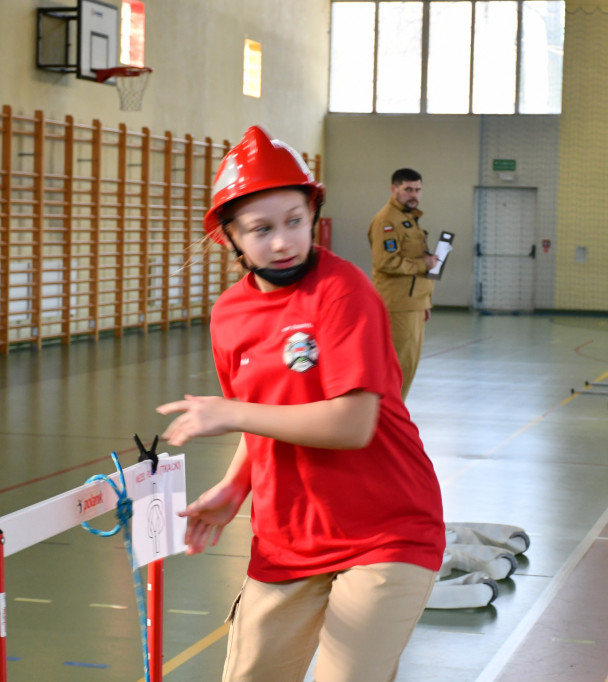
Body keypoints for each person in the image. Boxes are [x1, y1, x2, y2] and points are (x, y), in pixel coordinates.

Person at [156, 127, 445, 682]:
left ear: (312, 214)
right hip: (289, 535)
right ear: (230, 238)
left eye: (295, 221)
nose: (284, 241)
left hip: (386, 529)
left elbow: (353, 423)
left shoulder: (343, 290)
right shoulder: (229, 316)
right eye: (261, 230)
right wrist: (235, 487)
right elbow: (267, 414)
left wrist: (232, 412)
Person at [368, 169, 438, 400]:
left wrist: (424, 302)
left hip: (413, 304)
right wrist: (423, 264)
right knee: (397, 370)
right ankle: (388, 423)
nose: (413, 195)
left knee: (407, 368)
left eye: (417, 190)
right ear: (394, 189)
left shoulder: (408, 219)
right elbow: (386, 261)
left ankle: (394, 420)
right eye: (408, 189)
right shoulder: (387, 220)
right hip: (397, 306)